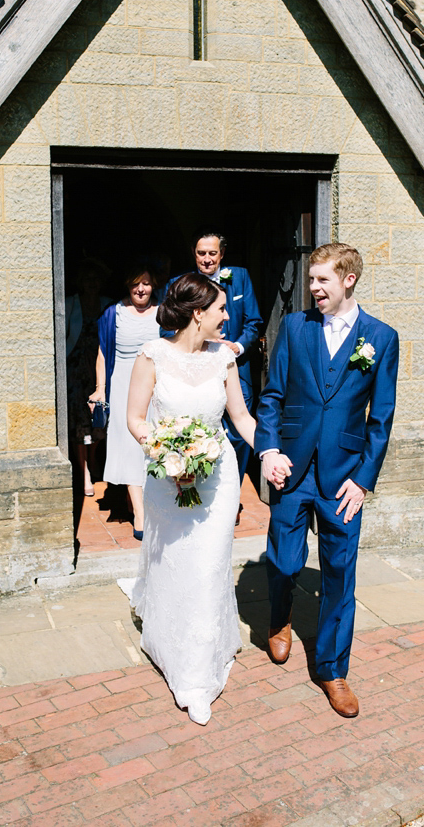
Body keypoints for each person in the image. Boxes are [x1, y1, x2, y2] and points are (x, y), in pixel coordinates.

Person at [255, 243, 398, 718]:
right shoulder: (296, 328)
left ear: (349, 280)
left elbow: (381, 418)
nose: (313, 289)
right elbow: (272, 395)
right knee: (283, 560)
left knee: (340, 575)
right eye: (312, 280)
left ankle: (333, 669)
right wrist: (269, 450)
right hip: (292, 470)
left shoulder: (381, 337)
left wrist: (363, 481)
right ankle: (280, 616)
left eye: (322, 281)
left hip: (343, 480)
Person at [124, 273, 259, 725]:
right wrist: (167, 451)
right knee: (176, 561)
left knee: (208, 562)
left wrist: (274, 451)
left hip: (218, 479)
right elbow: (135, 419)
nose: (228, 315)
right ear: (197, 313)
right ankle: (172, 643)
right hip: (169, 480)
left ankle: (196, 673)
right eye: (221, 308)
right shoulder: (152, 355)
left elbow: (240, 416)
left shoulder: (224, 358)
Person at [167, 232, 263, 493]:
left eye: (212, 253)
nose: (207, 259)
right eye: (201, 253)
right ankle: (198, 488)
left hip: (236, 368)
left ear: (222, 254)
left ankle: (232, 489)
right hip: (195, 369)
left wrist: (238, 346)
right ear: (193, 253)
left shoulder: (240, 277)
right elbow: (168, 330)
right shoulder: (179, 283)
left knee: (240, 434)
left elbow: (254, 322)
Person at [92, 264, 160, 538]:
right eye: (135, 284)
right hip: (122, 384)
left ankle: (150, 505)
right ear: (127, 286)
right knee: (131, 446)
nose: (141, 289)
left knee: (153, 444)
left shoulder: (163, 312)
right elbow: (103, 354)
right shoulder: (113, 313)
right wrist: (100, 389)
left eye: (145, 283)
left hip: (155, 386)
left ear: (153, 284)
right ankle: (140, 515)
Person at [65, 258, 111, 497]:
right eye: (87, 279)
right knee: (78, 421)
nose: (92, 283)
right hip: (76, 371)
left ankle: (94, 461)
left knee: (99, 418)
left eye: (95, 279)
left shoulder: (108, 305)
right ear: (80, 283)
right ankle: (84, 471)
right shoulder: (71, 304)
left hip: (100, 370)